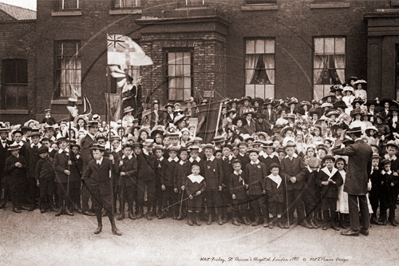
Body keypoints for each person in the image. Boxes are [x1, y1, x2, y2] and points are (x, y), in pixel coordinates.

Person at [332, 126, 373, 236]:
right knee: (363, 203)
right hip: (363, 179)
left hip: (353, 180)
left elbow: (335, 151)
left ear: (353, 135)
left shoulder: (353, 147)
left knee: (353, 204)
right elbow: (369, 167)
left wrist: (340, 138)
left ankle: (354, 229)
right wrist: (367, 179)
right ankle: (365, 228)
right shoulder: (368, 147)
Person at [83, 144, 121, 235]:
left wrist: (113, 162)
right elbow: (85, 176)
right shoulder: (91, 163)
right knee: (97, 207)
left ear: (102, 153)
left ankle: (114, 227)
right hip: (95, 189)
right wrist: (91, 185)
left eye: (97, 153)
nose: (95, 155)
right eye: (93, 153)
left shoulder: (108, 161)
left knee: (109, 207)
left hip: (106, 188)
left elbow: (116, 171)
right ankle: (99, 225)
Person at [316, 155, 343, 231]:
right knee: (325, 208)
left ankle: (333, 223)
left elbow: (340, 180)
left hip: (333, 193)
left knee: (333, 208)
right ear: (324, 163)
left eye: (330, 162)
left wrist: (335, 182)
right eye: (327, 162)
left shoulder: (336, 171)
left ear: (333, 163)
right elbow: (317, 180)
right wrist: (323, 182)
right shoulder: (322, 171)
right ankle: (325, 223)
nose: (329, 164)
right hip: (324, 193)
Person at [245, 148, 268, 227]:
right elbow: (246, 178)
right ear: (249, 156)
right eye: (251, 155)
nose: (253, 157)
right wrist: (247, 188)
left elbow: (265, 177)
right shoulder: (248, 166)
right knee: (254, 204)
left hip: (260, 188)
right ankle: (258, 218)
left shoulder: (262, 165)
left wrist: (264, 188)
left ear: (258, 156)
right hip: (252, 189)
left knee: (262, 204)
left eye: (254, 155)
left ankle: (265, 219)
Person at [53, 137, 74, 217]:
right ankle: (60, 208)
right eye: (61, 143)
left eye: (64, 142)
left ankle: (67, 208)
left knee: (68, 192)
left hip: (69, 177)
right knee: (60, 193)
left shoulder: (70, 153)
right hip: (60, 176)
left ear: (67, 143)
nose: (63, 144)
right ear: (58, 145)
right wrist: (64, 170)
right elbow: (55, 166)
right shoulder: (57, 154)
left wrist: (71, 163)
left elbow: (75, 162)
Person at [4, 144, 27, 213]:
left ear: (19, 150)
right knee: (14, 192)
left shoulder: (22, 157)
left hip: (21, 177)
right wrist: (14, 165)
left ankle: (20, 205)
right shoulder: (8, 159)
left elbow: (26, 165)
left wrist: (21, 165)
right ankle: (15, 207)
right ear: (11, 152)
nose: (15, 152)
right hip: (13, 178)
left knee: (21, 191)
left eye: (16, 150)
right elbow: (6, 169)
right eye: (13, 151)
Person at [117, 144, 138, 220]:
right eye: (126, 150)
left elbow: (135, 170)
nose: (128, 152)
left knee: (130, 197)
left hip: (130, 182)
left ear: (132, 151)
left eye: (129, 150)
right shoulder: (120, 159)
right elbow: (116, 171)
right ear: (123, 151)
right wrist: (119, 166)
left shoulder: (133, 159)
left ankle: (131, 213)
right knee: (121, 197)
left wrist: (126, 173)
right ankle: (121, 213)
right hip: (122, 182)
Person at [264, 163, 287, 229]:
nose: (276, 171)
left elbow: (282, 187)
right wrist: (274, 195)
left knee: (280, 209)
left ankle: (279, 221)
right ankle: (271, 221)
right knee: (272, 209)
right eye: (274, 170)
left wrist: (280, 194)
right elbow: (268, 188)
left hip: (280, 197)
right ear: (271, 171)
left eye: (277, 170)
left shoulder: (280, 178)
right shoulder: (269, 178)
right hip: (272, 197)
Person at [229, 159, 250, 226]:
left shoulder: (243, 173)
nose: (237, 168)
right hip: (236, 193)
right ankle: (234, 218)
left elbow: (247, 181)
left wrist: (247, 187)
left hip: (243, 192)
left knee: (244, 206)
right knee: (235, 206)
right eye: (235, 167)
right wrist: (232, 193)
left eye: (238, 166)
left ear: (241, 166)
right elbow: (230, 185)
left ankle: (244, 217)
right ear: (233, 167)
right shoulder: (232, 175)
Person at [35, 146, 56, 213]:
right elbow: (37, 172)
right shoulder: (39, 162)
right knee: (42, 193)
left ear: (47, 153)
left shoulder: (51, 160)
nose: (43, 155)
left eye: (45, 153)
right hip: (43, 179)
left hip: (51, 178)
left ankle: (51, 206)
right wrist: (37, 180)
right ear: (39, 155)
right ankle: (42, 206)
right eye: (41, 154)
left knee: (50, 192)